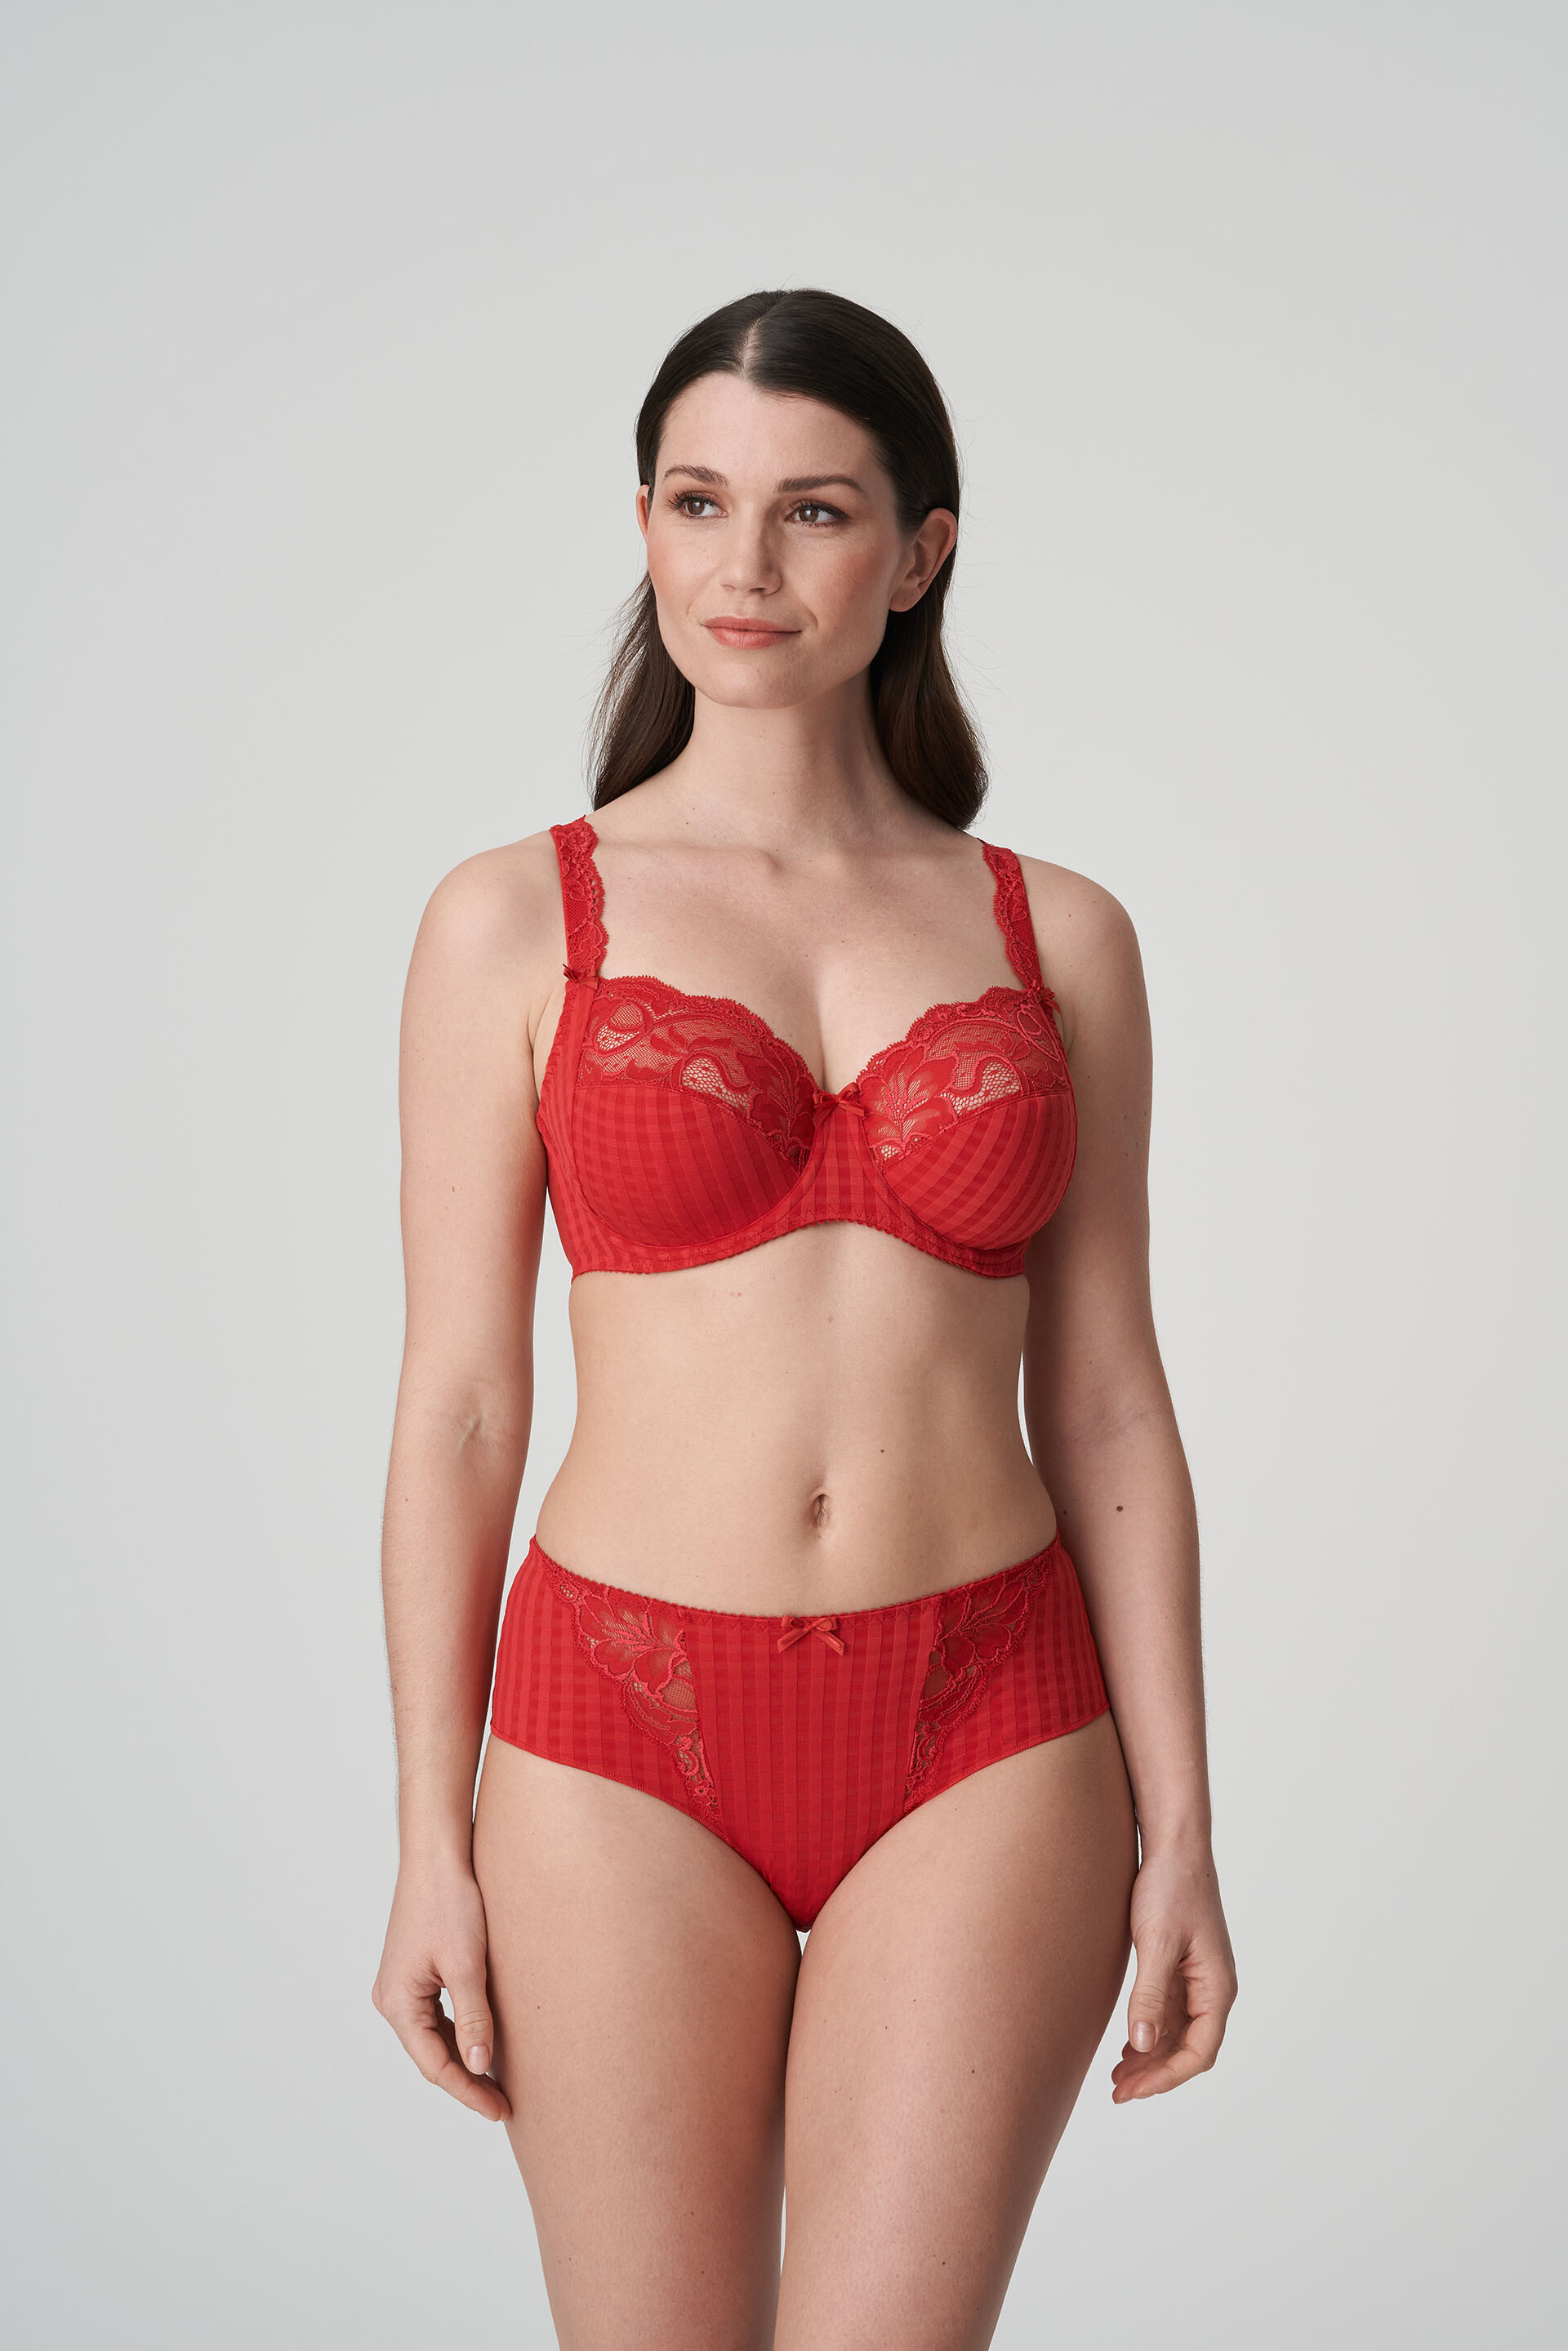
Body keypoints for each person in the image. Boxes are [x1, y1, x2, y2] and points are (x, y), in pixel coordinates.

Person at [372, 287, 1237, 2350]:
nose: (745, 566)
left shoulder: (1060, 935)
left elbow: (1110, 1402)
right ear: (645, 528)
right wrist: (424, 1835)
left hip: (991, 1722)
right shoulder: (514, 918)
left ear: (922, 552)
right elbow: (463, 1405)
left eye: (815, 511)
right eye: (699, 503)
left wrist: (1188, 1825)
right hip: (615, 1731)